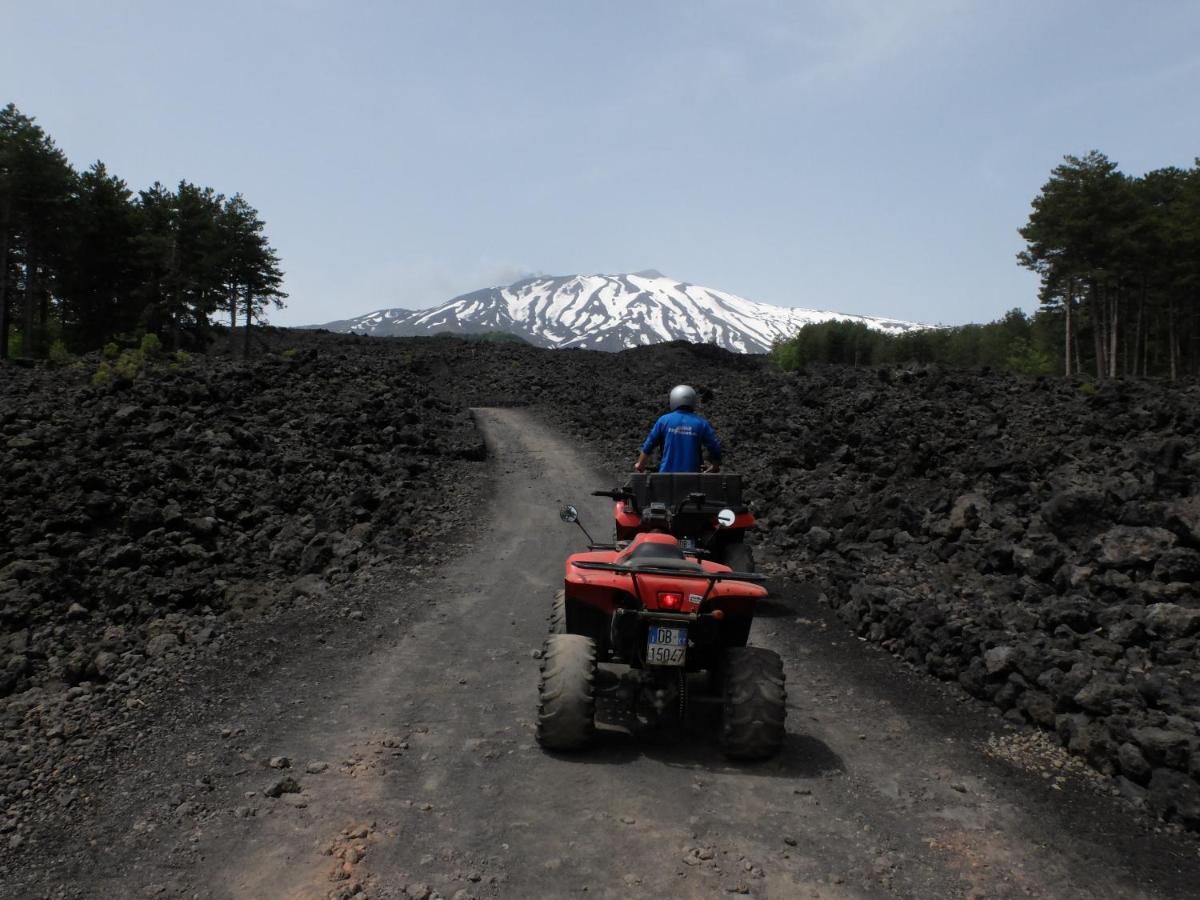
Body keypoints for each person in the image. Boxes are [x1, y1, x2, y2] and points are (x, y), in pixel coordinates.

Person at [634, 385, 722, 473]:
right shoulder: (701, 423)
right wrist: (715, 466)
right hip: (693, 477)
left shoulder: (664, 420)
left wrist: (640, 465)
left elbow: (649, 444)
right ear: (693, 401)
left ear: (673, 399)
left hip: (666, 475)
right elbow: (715, 447)